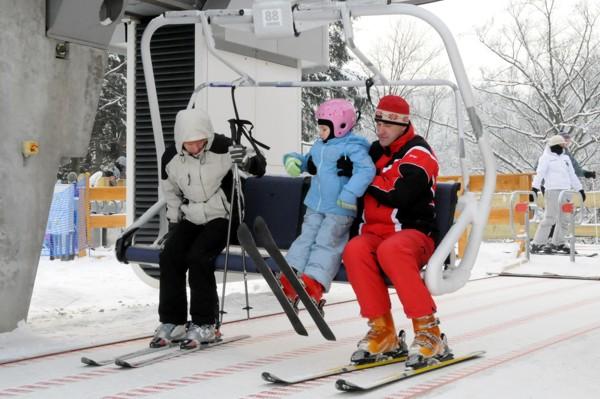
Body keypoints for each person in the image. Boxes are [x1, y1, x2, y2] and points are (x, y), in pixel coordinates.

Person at [341, 95, 447, 367]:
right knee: (354, 249)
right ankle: (383, 330)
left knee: (393, 249)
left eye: (388, 124)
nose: (381, 130)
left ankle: (428, 331)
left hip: (414, 235)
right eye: (378, 122)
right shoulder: (374, 151)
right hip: (376, 234)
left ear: (403, 125)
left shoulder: (419, 154)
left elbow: (399, 193)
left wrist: (363, 177)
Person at [152, 107, 266, 349]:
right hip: (192, 215)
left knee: (198, 257)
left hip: (223, 215)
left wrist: (245, 160)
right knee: (170, 254)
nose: (196, 148)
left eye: (200, 142)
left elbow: (258, 167)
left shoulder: (223, 146)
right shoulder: (171, 158)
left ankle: (205, 323)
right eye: (190, 144)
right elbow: (170, 193)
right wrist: (173, 224)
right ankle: (174, 321)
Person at [280, 99, 375, 310]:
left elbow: (366, 171)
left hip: (340, 207)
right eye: (320, 127)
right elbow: (309, 161)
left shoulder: (353, 147)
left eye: (324, 128)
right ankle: (292, 275)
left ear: (341, 127)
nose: (321, 132)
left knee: (326, 241)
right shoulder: (320, 144)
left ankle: (314, 282)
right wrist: (294, 161)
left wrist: (350, 192)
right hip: (316, 203)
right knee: (307, 237)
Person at [530, 134, 585, 254]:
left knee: (564, 218)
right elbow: (539, 174)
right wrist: (534, 188)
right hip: (552, 191)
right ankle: (537, 243)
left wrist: (580, 189)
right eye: (561, 145)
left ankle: (558, 242)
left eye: (564, 145)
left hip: (566, 192)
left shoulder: (566, 159)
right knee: (550, 218)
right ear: (554, 145)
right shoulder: (545, 158)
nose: (563, 147)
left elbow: (572, 175)